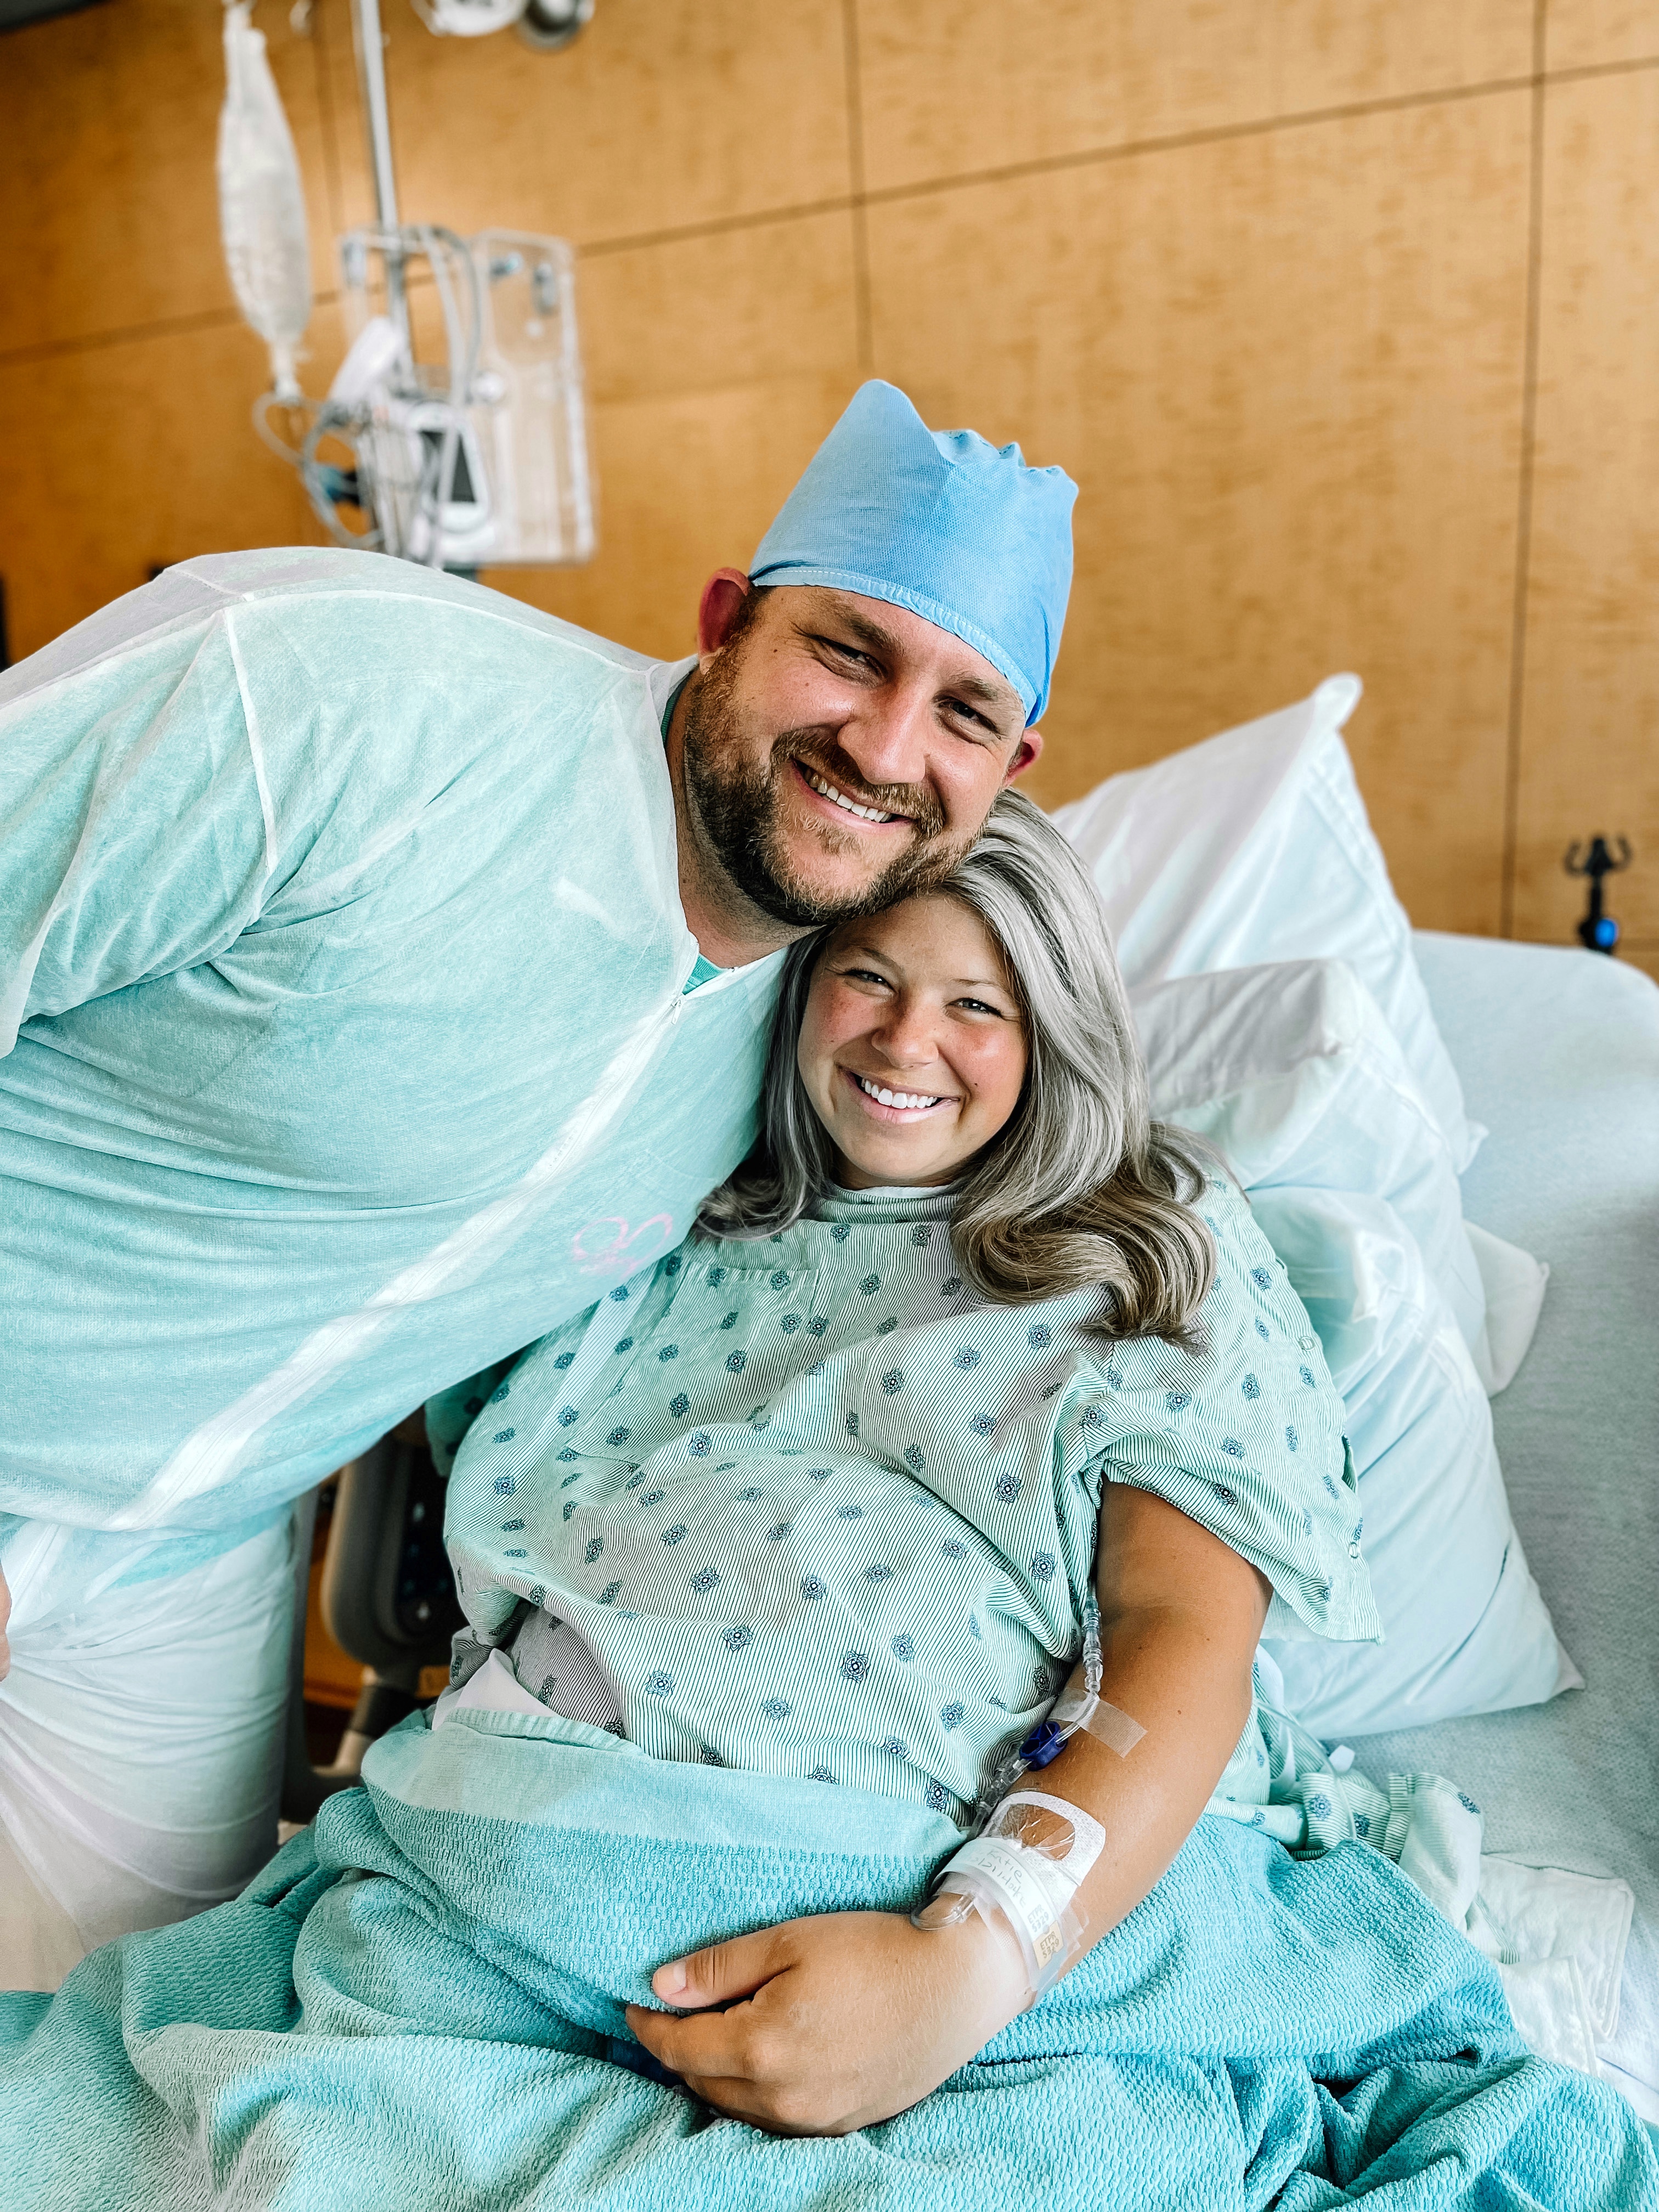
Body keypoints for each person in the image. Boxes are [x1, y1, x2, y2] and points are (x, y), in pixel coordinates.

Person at [0, 381, 1076, 1980]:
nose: (885, 745)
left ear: (1011, 767)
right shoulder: (332, 702)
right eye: (847, 652)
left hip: (177, 1569)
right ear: (723, 623)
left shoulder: (836, 1028)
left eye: (963, 712)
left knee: (100, 2055)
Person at [426, 791, 1381, 2133]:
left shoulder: (1142, 1242)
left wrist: (977, 1956)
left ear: (1054, 1030)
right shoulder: (687, 1217)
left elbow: (1182, 1634)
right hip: (522, 1866)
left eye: (975, 1006)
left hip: (946, 1903)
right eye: (868, 977)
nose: (905, 1040)